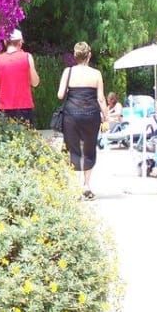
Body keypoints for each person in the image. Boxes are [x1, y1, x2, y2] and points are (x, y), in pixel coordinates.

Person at [58, 41, 109, 200]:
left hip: (71, 115)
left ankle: (74, 187)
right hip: (91, 115)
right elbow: (101, 99)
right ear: (89, 55)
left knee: (72, 149)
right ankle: (86, 185)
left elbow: (60, 95)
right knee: (89, 148)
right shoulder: (96, 74)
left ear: (75, 56)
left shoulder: (68, 71)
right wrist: (106, 117)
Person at [0, 28, 40, 127]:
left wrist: (0, 90)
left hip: (4, 108)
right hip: (24, 107)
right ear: (20, 42)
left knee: (5, 140)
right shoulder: (27, 57)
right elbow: (35, 82)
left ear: (5, 42)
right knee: (26, 140)